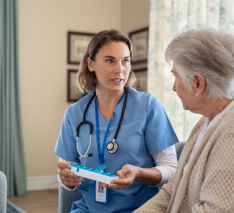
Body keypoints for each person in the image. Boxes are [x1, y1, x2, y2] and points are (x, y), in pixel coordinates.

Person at [54, 29, 178, 213]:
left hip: (140, 209)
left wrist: (138, 173)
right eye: (110, 60)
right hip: (90, 208)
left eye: (125, 61)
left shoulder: (148, 106)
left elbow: (170, 169)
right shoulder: (75, 113)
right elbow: (66, 169)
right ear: (91, 64)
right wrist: (67, 180)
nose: (120, 69)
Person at [134, 28, 234, 213]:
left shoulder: (230, 133)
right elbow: (172, 190)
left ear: (198, 83)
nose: (173, 87)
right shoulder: (204, 123)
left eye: (176, 76)